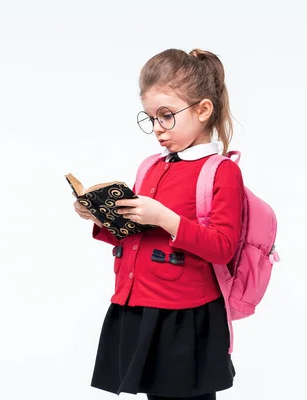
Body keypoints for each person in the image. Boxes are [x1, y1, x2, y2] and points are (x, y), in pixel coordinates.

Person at [73, 48, 244, 400]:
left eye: (166, 116)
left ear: (203, 109)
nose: (157, 129)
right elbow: (139, 235)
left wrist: (166, 220)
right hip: (139, 306)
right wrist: (100, 217)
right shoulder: (151, 165)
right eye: (150, 118)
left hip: (185, 316)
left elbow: (224, 247)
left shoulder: (222, 171)